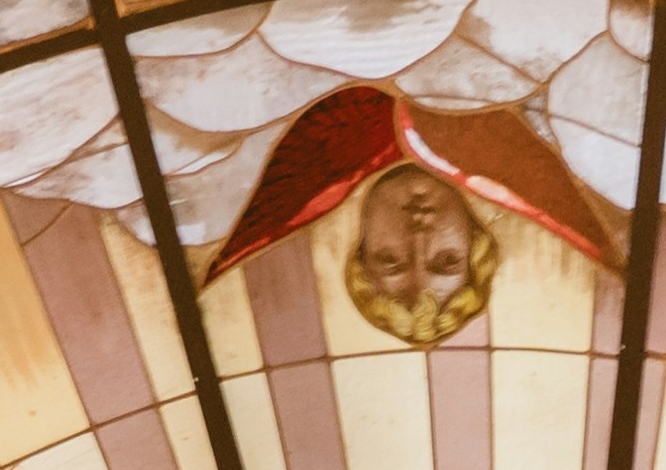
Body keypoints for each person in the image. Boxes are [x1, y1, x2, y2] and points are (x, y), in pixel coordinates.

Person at [204, 86, 625, 344]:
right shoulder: (538, 143)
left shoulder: (305, 163)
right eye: (446, 259)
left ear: (361, 242)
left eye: (390, 258)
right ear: (474, 236)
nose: (419, 237)